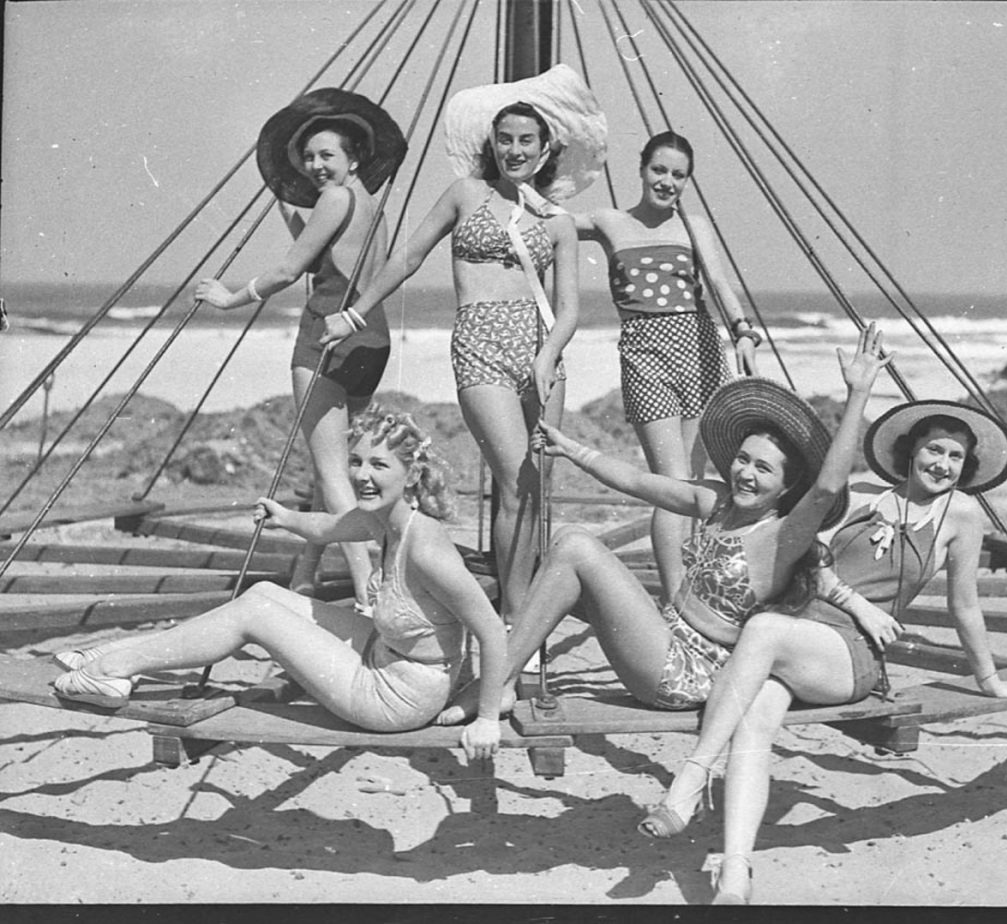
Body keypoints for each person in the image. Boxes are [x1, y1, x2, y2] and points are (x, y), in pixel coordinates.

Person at [643, 399, 1007, 905]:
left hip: (851, 654)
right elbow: (810, 557)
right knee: (755, 721)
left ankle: (692, 777)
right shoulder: (863, 494)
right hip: (799, 636)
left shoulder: (960, 516)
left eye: (955, 457)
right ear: (909, 450)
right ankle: (735, 876)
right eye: (934, 449)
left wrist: (989, 680)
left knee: (761, 628)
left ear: (967, 466)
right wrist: (854, 600)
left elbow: (965, 607)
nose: (942, 464)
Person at [435, 324, 893, 725]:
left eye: (763, 470)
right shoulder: (718, 500)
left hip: (688, 672)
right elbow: (639, 481)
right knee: (568, 551)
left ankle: (496, 682)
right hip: (664, 635)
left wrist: (858, 394)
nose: (746, 474)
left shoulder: (781, 535)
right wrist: (573, 450)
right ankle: (507, 678)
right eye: (743, 459)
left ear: (786, 487)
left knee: (574, 544)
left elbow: (828, 489)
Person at [51, 405, 508, 759]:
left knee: (256, 615)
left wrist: (487, 718)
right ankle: (113, 654)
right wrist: (284, 517)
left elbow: (492, 631)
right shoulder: (381, 519)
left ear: (411, 475)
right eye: (356, 461)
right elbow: (327, 528)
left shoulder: (425, 546)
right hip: (386, 655)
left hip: (396, 697)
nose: (362, 476)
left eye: (379, 466)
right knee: (265, 594)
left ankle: (112, 672)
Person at [343, 66, 604, 629]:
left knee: (537, 485)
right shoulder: (465, 194)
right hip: (481, 341)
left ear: (545, 149)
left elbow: (571, 309)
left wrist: (546, 354)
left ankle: (521, 601)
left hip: (542, 351)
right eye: (504, 139)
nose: (513, 149)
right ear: (492, 144)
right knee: (512, 478)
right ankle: (512, 615)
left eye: (525, 141)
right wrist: (356, 310)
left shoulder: (557, 222)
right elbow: (407, 258)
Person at [193, 88, 408, 612]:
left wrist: (230, 300)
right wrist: (286, 207)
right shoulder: (367, 204)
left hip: (325, 339)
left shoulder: (333, 200)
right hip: (369, 339)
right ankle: (306, 578)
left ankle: (367, 587)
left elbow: (291, 269)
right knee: (326, 466)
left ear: (353, 156)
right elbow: (321, 251)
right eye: (308, 157)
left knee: (333, 473)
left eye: (326, 155)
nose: (315, 165)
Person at [575, 131, 760, 599]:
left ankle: (694, 592)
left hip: (698, 348)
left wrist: (742, 331)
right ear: (641, 169)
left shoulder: (693, 225)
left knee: (697, 485)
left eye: (679, 175)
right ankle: (676, 598)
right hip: (644, 351)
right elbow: (543, 221)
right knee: (670, 485)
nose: (667, 182)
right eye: (660, 170)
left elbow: (718, 281)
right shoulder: (608, 221)